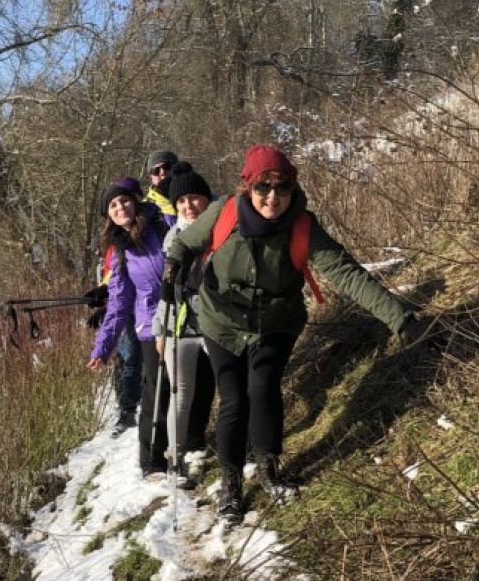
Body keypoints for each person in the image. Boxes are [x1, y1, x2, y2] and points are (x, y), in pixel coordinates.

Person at [167, 145, 427, 521]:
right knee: (235, 397)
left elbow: (348, 275)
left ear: (292, 189)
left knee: (264, 387)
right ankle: (231, 482)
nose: (273, 197)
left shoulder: (304, 226)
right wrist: (172, 269)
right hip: (221, 321)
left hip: (275, 322)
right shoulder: (223, 211)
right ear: (248, 187)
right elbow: (185, 243)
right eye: (263, 187)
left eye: (282, 187)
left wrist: (403, 321)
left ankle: (269, 466)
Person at [88, 179, 169, 475]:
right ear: (109, 215)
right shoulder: (120, 249)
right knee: (156, 391)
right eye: (113, 205)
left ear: (135, 202)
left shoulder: (162, 226)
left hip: (185, 316)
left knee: (191, 387)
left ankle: (191, 447)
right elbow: (120, 303)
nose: (120, 207)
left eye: (123, 201)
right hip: (150, 326)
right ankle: (152, 462)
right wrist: (103, 347)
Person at [151, 162, 217, 490]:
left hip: (219, 326)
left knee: (234, 389)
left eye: (194, 198)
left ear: (207, 200)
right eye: (181, 202)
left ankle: (246, 449)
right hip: (181, 326)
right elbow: (165, 292)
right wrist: (160, 330)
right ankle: (176, 459)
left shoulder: (224, 231)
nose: (188, 206)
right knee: (181, 393)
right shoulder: (171, 239)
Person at [143, 150, 178, 226]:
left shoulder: (198, 196)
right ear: (150, 177)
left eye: (167, 167)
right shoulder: (145, 208)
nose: (162, 172)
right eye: (156, 170)